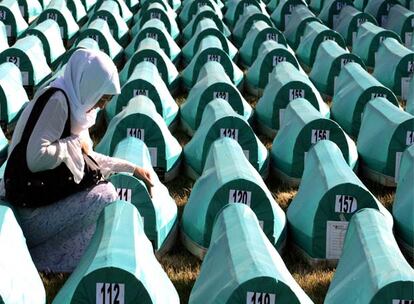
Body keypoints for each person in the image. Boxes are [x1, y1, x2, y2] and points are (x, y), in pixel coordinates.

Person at [0, 49, 154, 272]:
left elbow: (86, 159)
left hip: (34, 198)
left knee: (101, 188)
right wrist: (72, 143)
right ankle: (44, 257)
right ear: (88, 85)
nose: (101, 105)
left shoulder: (69, 101)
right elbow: (36, 158)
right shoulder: (57, 103)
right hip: (27, 210)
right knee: (106, 196)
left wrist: (131, 168)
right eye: (102, 97)